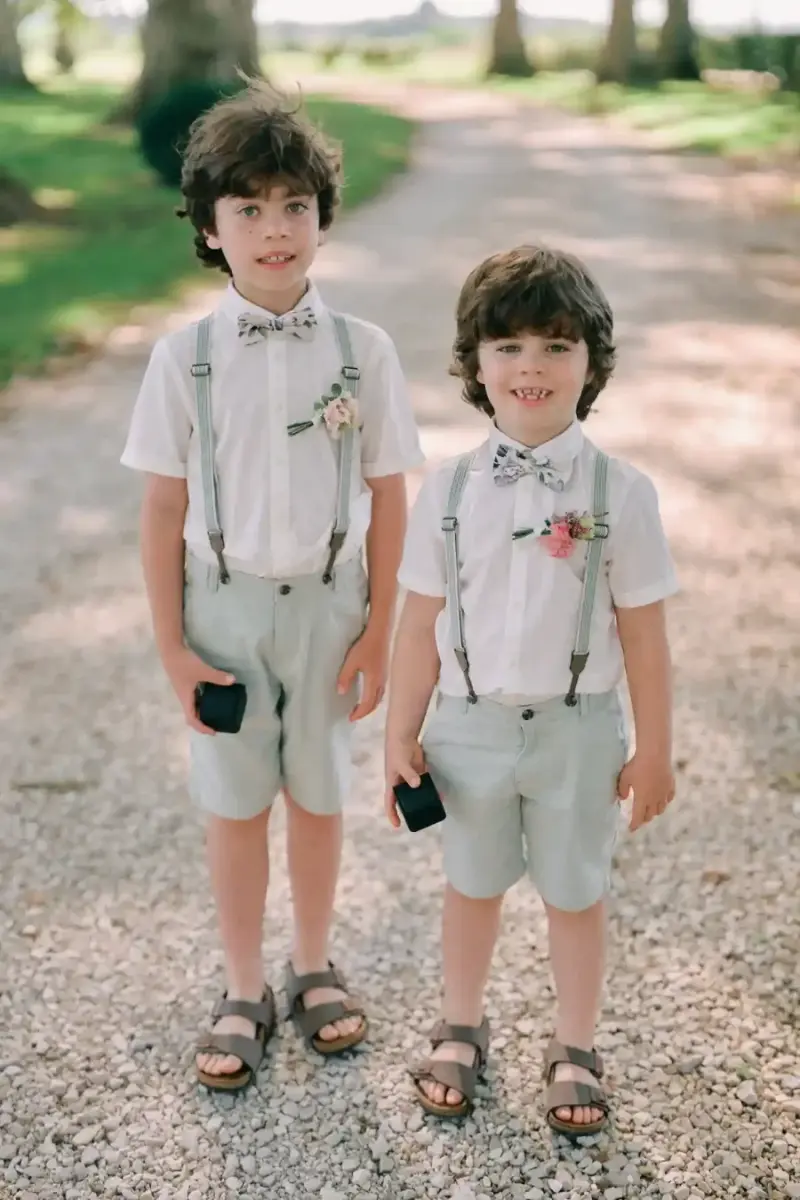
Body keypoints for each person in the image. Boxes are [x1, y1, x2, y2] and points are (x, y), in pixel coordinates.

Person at [121, 81, 423, 1092]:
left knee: (318, 793)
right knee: (235, 801)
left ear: (322, 219)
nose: (274, 228)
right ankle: (244, 982)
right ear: (209, 229)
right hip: (226, 608)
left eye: (294, 205)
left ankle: (313, 963)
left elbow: (388, 493)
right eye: (246, 209)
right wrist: (171, 646)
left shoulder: (361, 353)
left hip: (331, 607)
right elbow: (162, 510)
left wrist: (380, 630)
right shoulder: (184, 358)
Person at [384, 244, 678, 1137]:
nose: (532, 367)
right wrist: (401, 733)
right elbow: (418, 622)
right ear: (476, 363)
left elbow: (643, 632)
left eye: (557, 345)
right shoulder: (448, 491)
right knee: (471, 885)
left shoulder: (621, 493)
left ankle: (575, 1042)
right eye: (507, 346)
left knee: (575, 890)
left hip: (578, 728)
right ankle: (461, 1023)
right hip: (468, 729)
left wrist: (655, 746)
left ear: (593, 363)